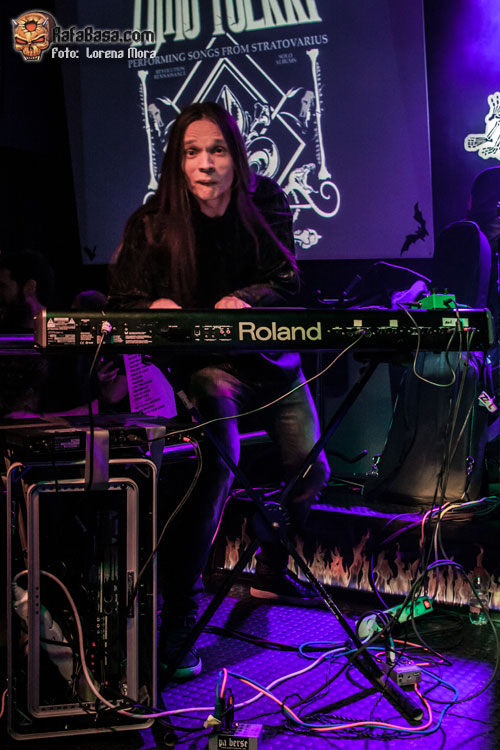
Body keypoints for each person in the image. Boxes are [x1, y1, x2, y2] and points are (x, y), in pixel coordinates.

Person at [107, 101, 330, 679]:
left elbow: (288, 278)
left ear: (236, 155)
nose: (205, 163)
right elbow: (122, 299)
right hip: (208, 369)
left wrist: (247, 299)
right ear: (178, 161)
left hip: (271, 362)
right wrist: (154, 305)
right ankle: (181, 612)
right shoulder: (152, 222)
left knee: (311, 468)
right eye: (192, 152)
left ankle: (271, 562)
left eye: (217, 150)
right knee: (216, 471)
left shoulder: (266, 202)